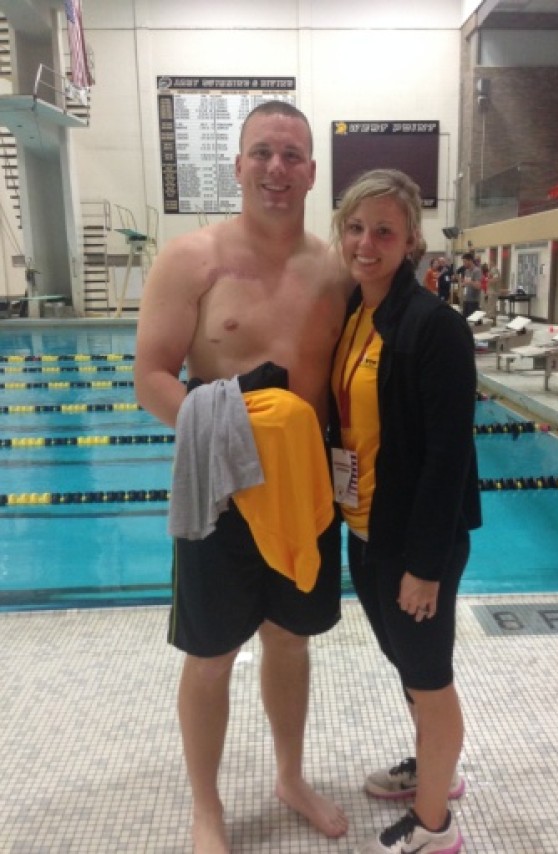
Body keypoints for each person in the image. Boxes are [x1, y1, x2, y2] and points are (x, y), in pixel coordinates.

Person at [134, 101, 350, 853]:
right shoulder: (191, 260)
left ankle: (290, 777)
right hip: (219, 491)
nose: (277, 169)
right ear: (237, 165)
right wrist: (225, 433)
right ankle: (207, 809)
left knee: (291, 640)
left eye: (292, 155)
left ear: (313, 172)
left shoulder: (336, 271)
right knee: (212, 651)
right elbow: (151, 376)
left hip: (302, 493)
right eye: (262, 153)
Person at [330, 169, 481, 854]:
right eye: (356, 228)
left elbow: (449, 457)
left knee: (428, 672)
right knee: (405, 663)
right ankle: (431, 771)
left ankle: (435, 826)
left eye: (384, 230)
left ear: (412, 239)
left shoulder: (435, 327)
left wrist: (424, 567)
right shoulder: (357, 314)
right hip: (368, 533)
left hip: (417, 545)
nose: (367, 243)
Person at [460, 251, 483, 318]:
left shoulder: (477, 271)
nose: (464, 263)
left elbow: (478, 286)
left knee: (473, 322)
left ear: (470, 260)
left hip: (474, 301)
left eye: (465, 261)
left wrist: (469, 282)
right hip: (466, 299)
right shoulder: (466, 271)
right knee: (465, 320)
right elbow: (466, 283)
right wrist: (463, 284)